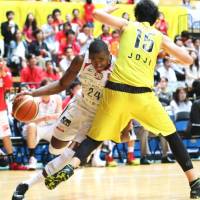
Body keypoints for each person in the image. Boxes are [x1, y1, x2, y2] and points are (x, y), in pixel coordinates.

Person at [42, 1, 200, 199]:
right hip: (143, 95)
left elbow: (97, 15)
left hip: (115, 91)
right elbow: (189, 59)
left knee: (94, 138)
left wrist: (110, 8)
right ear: (155, 19)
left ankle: (71, 166)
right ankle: (194, 182)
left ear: (137, 16)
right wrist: (177, 59)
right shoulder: (160, 36)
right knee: (171, 135)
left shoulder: (128, 25)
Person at [12, 39, 125, 199]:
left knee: (68, 156)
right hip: (79, 105)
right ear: (89, 57)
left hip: (96, 115)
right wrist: (33, 93)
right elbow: (61, 84)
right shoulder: (81, 60)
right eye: (93, 60)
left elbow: (126, 101)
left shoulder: (119, 70)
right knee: (55, 148)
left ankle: (26, 184)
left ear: (109, 55)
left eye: (101, 59)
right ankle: (71, 155)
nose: (97, 63)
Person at [23, 79, 62, 169]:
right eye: (48, 87)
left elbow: (60, 114)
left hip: (51, 127)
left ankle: (64, 159)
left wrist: (51, 117)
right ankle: (32, 158)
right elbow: (27, 121)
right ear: (42, 88)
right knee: (31, 126)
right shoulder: (34, 100)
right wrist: (42, 118)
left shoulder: (57, 98)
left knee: (64, 126)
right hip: (37, 127)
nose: (51, 89)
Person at [0, 57, 27, 170]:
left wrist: (3, 72)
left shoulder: (5, 73)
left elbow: (8, 87)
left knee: (6, 135)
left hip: (1, 109)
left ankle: (12, 162)